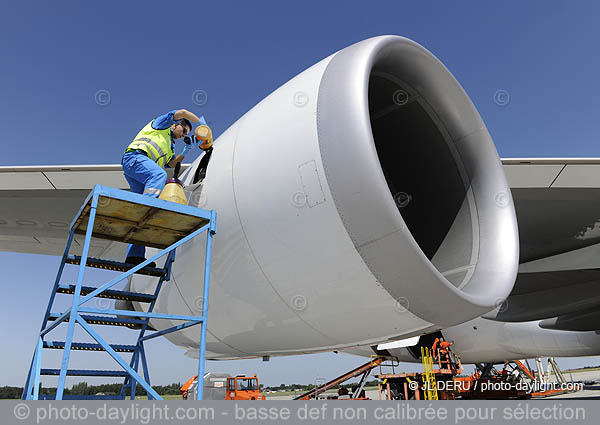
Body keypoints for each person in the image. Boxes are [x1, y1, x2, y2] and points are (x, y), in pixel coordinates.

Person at [122, 109, 203, 265]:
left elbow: (171, 163)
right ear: (176, 125)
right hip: (135, 158)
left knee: (139, 211)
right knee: (159, 176)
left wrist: (186, 150)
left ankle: (134, 258)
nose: (183, 135)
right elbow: (183, 112)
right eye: (184, 131)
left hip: (140, 171)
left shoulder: (170, 146)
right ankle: (148, 208)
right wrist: (200, 123)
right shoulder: (162, 125)